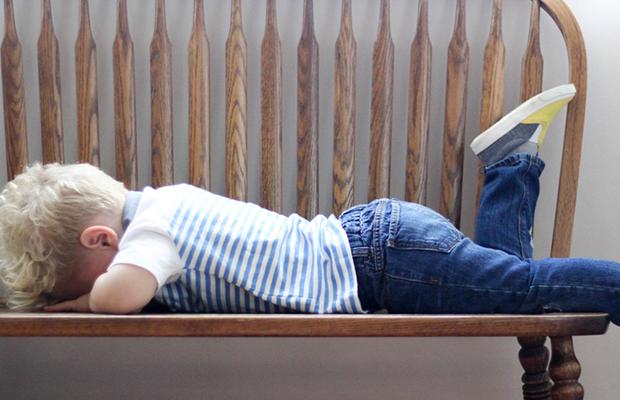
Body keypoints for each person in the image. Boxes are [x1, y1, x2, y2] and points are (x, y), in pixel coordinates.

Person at [1, 84, 619, 325]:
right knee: (510, 289)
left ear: (102, 242)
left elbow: (118, 299)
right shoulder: (154, 217)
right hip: (380, 248)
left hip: (381, 261)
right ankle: (511, 163)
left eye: (76, 276)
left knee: (521, 288)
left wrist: (78, 300)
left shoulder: (150, 230)